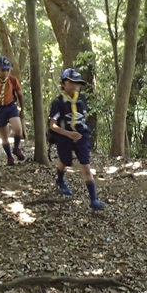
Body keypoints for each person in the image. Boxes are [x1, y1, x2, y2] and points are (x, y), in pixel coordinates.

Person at [48, 68, 105, 211]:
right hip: (64, 137)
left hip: (81, 137)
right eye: (71, 82)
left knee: (86, 166)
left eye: (77, 83)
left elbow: (84, 117)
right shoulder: (58, 102)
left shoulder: (81, 99)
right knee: (65, 162)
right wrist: (68, 134)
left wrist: (80, 133)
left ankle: (93, 200)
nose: (74, 86)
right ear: (63, 83)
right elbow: (52, 125)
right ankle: (60, 180)